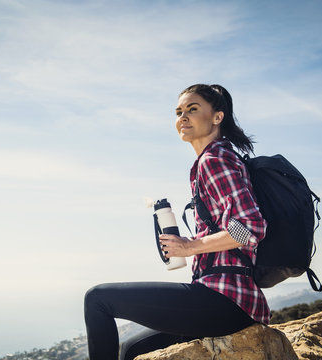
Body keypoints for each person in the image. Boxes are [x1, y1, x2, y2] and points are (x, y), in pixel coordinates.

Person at [84, 84, 270, 360]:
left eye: (192, 110)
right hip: (216, 296)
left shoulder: (215, 159)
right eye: (179, 111)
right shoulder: (214, 159)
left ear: (217, 117)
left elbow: (251, 228)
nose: (182, 117)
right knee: (132, 350)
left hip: (226, 300)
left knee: (97, 299)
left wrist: (189, 247)